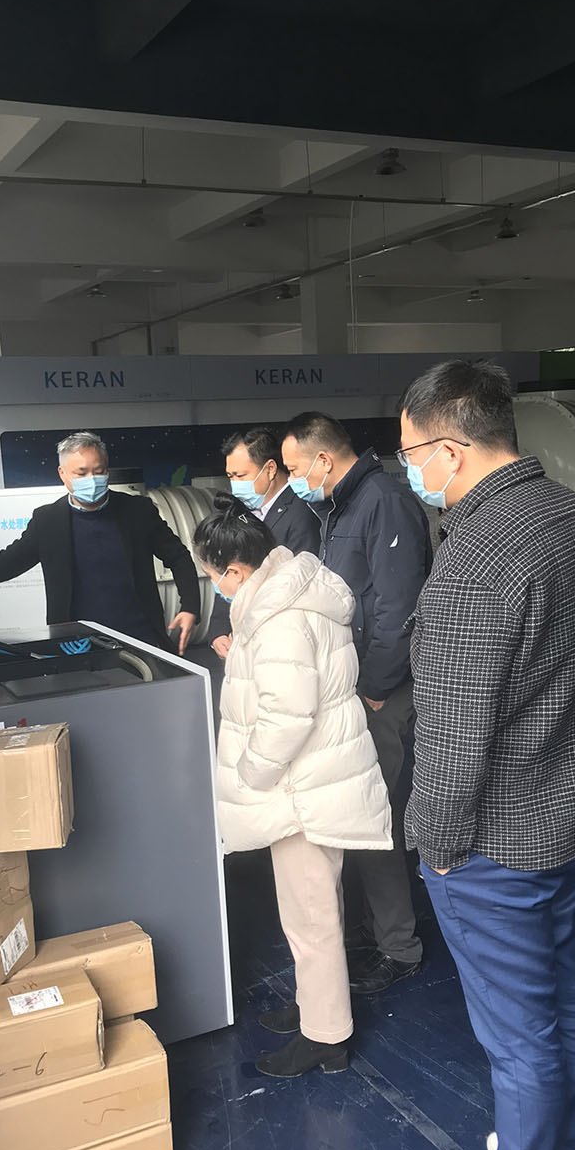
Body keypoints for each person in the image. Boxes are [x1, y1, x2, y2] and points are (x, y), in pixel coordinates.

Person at [398, 360, 575, 1150]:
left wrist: (436, 845)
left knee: (520, 1036)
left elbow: (452, 742)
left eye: (411, 453)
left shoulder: (471, 565)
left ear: (450, 449)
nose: (410, 470)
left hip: (496, 846)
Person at [194, 494, 392, 1078]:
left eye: (212, 576)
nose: (214, 587)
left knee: (311, 917)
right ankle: (314, 1007)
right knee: (309, 910)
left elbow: (288, 714)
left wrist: (251, 771)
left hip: (301, 790)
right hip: (312, 781)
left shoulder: (279, 617)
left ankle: (326, 1036)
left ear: (235, 570)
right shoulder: (288, 594)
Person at [281, 412, 430, 995]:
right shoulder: (341, 505)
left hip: (381, 692)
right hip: (357, 687)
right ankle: (377, 928)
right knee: (360, 814)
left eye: (294, 467)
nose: (292, 479)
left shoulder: (382, 502)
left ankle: (400, 947)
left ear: (323, 459)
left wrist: (373, 685)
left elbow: (399, 609)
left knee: (378, 816)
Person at [0, 431, 200, 654]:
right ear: (62, 474)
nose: (92, 480)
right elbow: (4, 565)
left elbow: (178, 557)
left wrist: (190, 607)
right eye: (81, 473)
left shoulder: (138, 511)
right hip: (77, 644)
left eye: (99, 471)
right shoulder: (48, 521)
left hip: (142, 638)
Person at [207, 426, 321, 660]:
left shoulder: (302, 513)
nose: (234, 484)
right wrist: (218, 630)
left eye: (241, 476)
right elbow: (228, 572)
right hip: (241, 642)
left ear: (270, 469)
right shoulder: (238, 510)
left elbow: (299, 584)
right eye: (230, 476)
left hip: (282, 642)